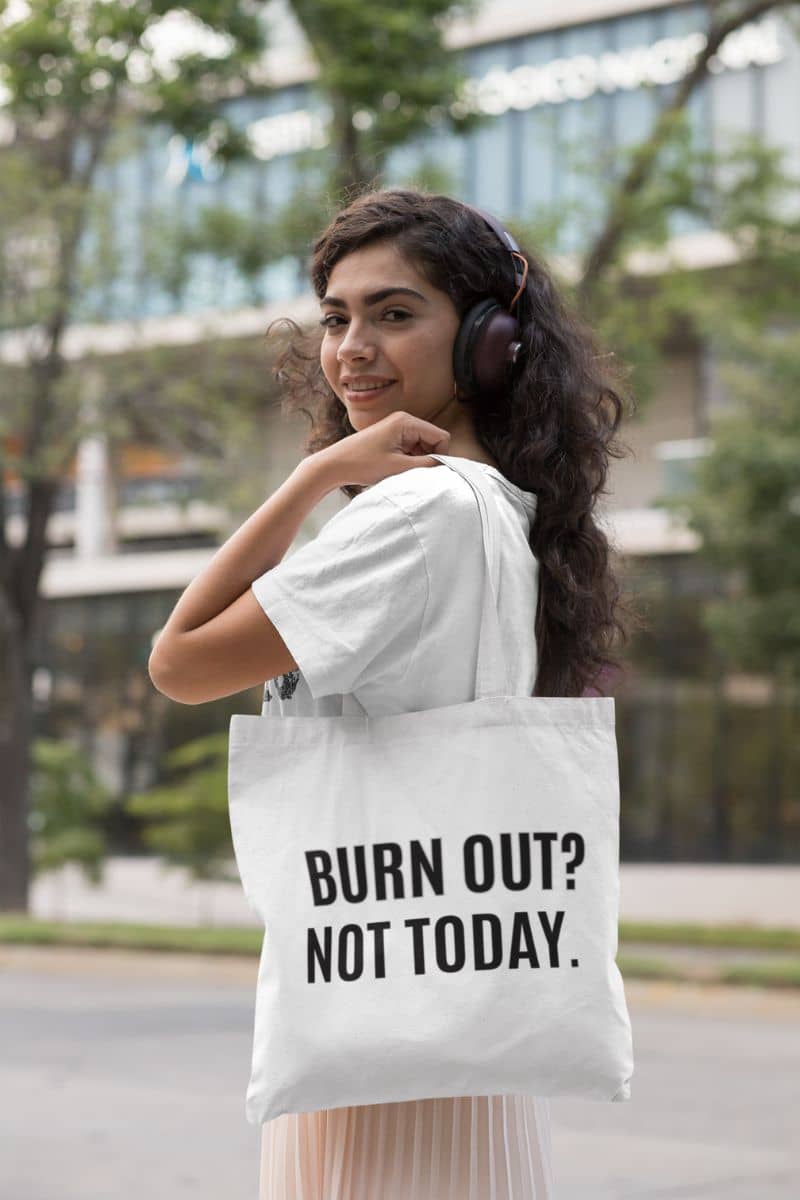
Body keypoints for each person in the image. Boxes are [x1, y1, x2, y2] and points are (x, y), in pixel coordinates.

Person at [149, 187, 637, 1197]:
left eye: (395, 313)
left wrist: (311, 477)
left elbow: (180, 658)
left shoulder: (416, 513)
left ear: (488, 341)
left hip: (383, 1033)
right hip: (448, 1016)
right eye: (336, 317)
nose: (351, 348)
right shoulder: (494, 504)